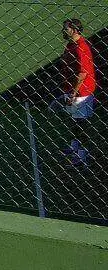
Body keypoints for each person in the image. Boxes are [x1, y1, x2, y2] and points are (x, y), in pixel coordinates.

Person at [49, 18, 97, 166]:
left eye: (66, 28)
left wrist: (73, 93)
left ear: (75, 30)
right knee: (74, 121)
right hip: (72, 90)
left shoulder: (81, 47)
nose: (64, 31)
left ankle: (82, 156)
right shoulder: (71, 44)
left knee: (81, 124)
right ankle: (74, 147)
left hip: (82, 92)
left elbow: (82, 73)